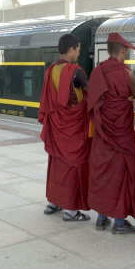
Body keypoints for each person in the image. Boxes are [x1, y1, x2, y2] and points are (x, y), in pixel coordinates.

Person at [87, 32, 135, 234]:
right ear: (122, 51)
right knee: (121, 176)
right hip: (122, 136)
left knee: (104, 176)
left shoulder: (97, 72)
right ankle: (119, 223)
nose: (126, 55)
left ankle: (102, 219)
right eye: (126, 52)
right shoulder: (126, 73)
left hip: (103, 136)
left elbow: (92, 105)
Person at [38, 34, 91, 222]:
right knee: (74, 166)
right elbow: (91, 94)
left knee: (57, 165)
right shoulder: (76, 71)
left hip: (57, 127)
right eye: (77, 49)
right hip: (74, 129)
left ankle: (53, 201)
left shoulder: (51, 70)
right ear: (71, 50)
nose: (78, 53)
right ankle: (71, 210)